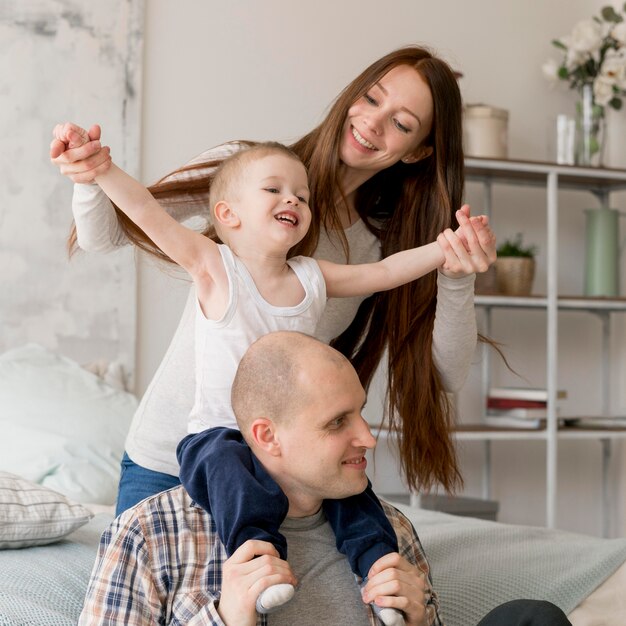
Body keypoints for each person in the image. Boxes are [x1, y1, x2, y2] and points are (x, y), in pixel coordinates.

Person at [50, 46, 497, 515]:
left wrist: (455, 272)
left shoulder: (380, 247)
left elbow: (447, 372)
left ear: (418, 152)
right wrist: (88, 174)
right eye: (370, 98)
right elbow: (107, 234)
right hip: (167, 461)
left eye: (402, 123)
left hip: (279, 475)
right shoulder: (248, 172)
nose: (373, 122)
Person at [86, 138, 485, 623]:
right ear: (228, 214)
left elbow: (383, 272)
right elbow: (147, 213)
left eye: (302, 194)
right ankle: (258, 563)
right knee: (237, 488)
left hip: (293, 444)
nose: (293, 199)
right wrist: (102, 172)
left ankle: (379, 574)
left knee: (352, 495)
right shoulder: (215, 267)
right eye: (273, 189)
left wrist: (445, 249)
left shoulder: (312, 277)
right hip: (219, 434)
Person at [77, 331, 572, 626]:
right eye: (337, 423)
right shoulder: (149, 534)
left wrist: (419, 618)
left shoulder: (389, 530)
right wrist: (225, 617)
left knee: (533, 619)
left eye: (359, 413)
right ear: (267, 436)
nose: (368, 439)